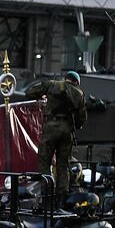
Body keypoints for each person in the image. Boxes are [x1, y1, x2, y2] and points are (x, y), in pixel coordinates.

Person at [25, 70, 88, 199]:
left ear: (66, 79)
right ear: (76, 82)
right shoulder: (79, 93)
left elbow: (29, 92)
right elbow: (81, 118)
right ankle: (62, 196)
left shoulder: (51, 84)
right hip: (67, 131)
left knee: (44, 162)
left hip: (51, 128)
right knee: (63, 164)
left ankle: (47, 195)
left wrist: (42, 97)